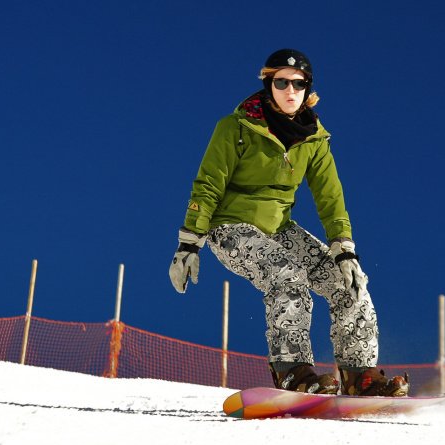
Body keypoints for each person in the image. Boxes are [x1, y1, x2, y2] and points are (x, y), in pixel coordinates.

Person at [169, 49, 408, 397]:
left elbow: (330, 196)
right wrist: (189, 242)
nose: (290, 90)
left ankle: (360, 376)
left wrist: (344, 249)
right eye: (282, 82)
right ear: (269, 84)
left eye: (299, 83)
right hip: (230, 228)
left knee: (349, 283)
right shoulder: (236, 128)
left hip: (278, 228)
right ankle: (292, 371)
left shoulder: (313, 138)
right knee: (287, 277)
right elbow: (208, 184)